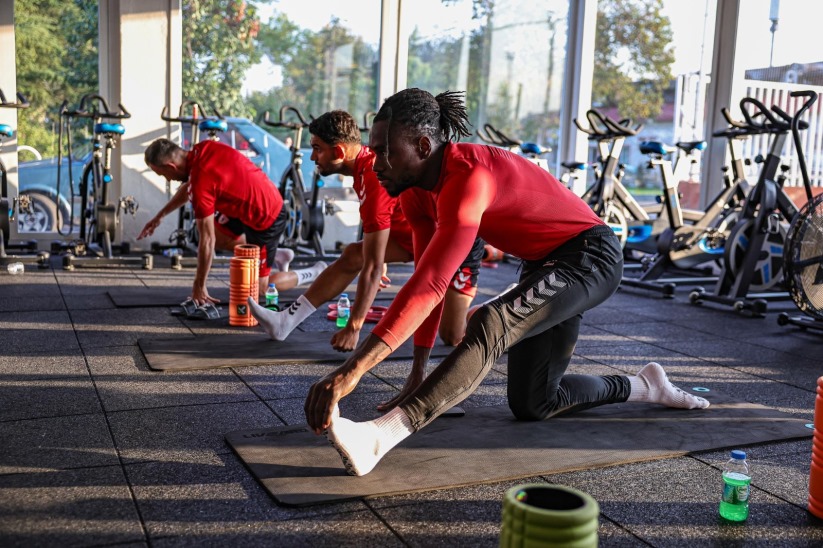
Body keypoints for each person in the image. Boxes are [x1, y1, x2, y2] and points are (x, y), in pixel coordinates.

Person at [303, 88, 710, 476]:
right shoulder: (415, 192)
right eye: (374, 152)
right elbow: (430, 284)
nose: (374, 163)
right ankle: (643, 385)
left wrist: (350, 372)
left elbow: (430, 285)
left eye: (386, 152)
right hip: (543, 264)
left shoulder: (468, 176)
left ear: (423, 148)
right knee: (535, 402)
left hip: (590, 256)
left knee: (488, 322)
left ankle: (380, 436)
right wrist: (418, 369)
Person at [247, 110, 499, 365]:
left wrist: (354, 326)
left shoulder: (373, 177)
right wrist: (378, 260)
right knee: (354, 254)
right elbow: (379, 236)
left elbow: (373, 266)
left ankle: (500, 306)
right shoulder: (364, 168)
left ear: (339, 152)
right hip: (414, 237)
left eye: (317, 149)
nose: (313, 157)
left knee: (452, 336)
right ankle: (286, 321)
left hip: (455, 241)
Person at [138, 138, 327, 306]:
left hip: (267, 216)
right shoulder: (203, 149)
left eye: (163, 175)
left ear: (171, 167)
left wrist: (199, 285)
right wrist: (159, 216)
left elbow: (207, 241)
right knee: (220, 237)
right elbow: (189, 189)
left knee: (260, 287)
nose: (167, 179)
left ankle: (315, 272)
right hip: (242, 208)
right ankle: (276, 254)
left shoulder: (200, 182)